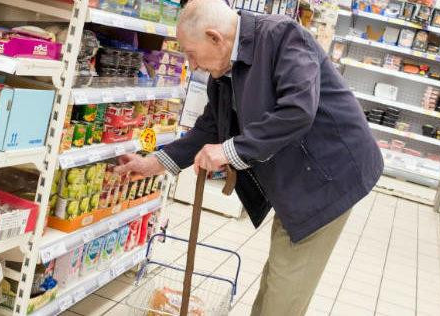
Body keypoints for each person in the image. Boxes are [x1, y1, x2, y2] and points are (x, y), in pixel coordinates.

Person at [115, 0, 384, 314]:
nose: (194, 65)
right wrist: (156, 162)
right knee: (278, 275)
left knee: (286, 286)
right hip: (295, 175)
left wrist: (229, 151)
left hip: (328, 175)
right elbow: (211, 126)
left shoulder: (283, 37)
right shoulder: (225, 68)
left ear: (216, 37)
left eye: (191, 54)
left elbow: (298, 110)